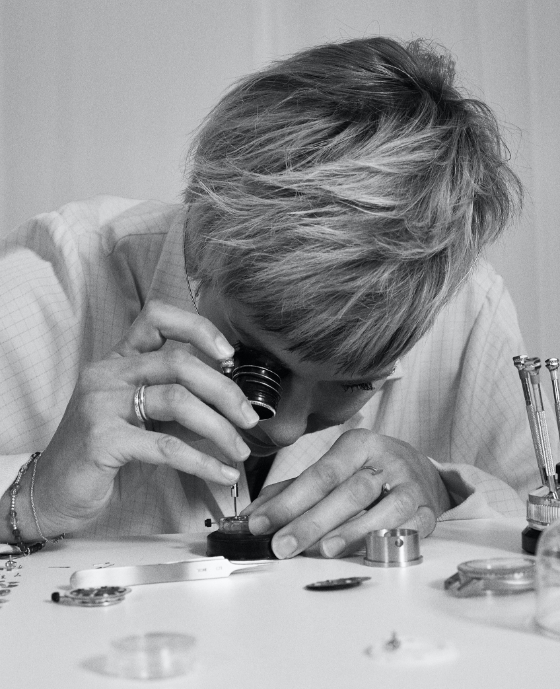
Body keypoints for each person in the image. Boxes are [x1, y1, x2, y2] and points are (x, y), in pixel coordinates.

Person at [0, 36, 541, 560]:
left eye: (354, 383)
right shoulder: (51, 287)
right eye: (255, 359)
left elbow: (548, 537)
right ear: (203, 239)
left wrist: (443, 492)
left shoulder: (464, 312)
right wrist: (29, 502)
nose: (277, 428)